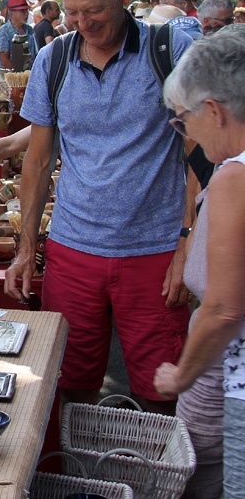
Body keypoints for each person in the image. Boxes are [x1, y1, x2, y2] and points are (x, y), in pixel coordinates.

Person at [5, 0, 193, 416]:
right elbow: (39, 159)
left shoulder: (170, 53)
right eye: (72, 12)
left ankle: (159, 482)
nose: (83, 22)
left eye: (95, 9)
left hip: (154, 251)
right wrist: (27, 247)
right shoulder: (55, 59)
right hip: (74, 251)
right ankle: (77, 476)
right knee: (71, 383)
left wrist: (189, 245)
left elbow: (200, 156)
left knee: (160, 388)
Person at [152, 30, 245, 497]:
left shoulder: (234, 177)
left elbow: (225, 308)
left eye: (183, 120)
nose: (185, 132)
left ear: (213, 110)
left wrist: (181, 374)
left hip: (232, 388)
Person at [0, 0, 35, 70]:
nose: (26, 14)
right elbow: (4, 61)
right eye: (23, 11)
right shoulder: (4, 32)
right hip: (11, 78)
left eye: (27, 11)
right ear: (12, 14)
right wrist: (21, 72)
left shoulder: (29, 29)